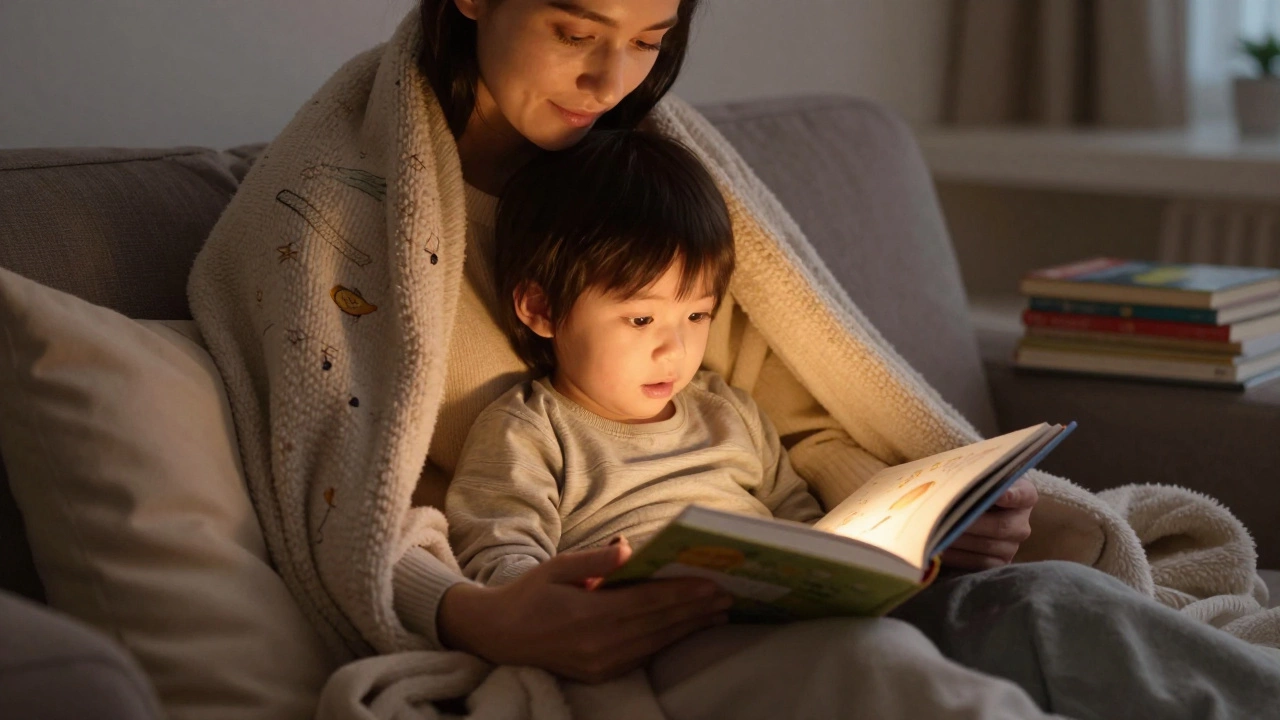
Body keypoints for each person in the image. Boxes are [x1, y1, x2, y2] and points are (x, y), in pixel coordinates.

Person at [186, 0, 1280, 717]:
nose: (612, 76)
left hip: (804, 584)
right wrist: (476, 607)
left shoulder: (655, 177)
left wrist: (926, 503)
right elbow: (350, 488)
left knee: (1052, 607)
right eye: (575, 29)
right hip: (620, 615)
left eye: (651, 35)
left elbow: (801, 413)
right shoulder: (327, 215)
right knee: (883, 679)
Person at [445, 128, 826, 588]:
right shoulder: (530, 432)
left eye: (697, 314)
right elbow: (499, 555)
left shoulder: (729, 412)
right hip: (641, 625)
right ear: (543, 309)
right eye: (641, 320)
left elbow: (799, 517)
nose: (676, 349)